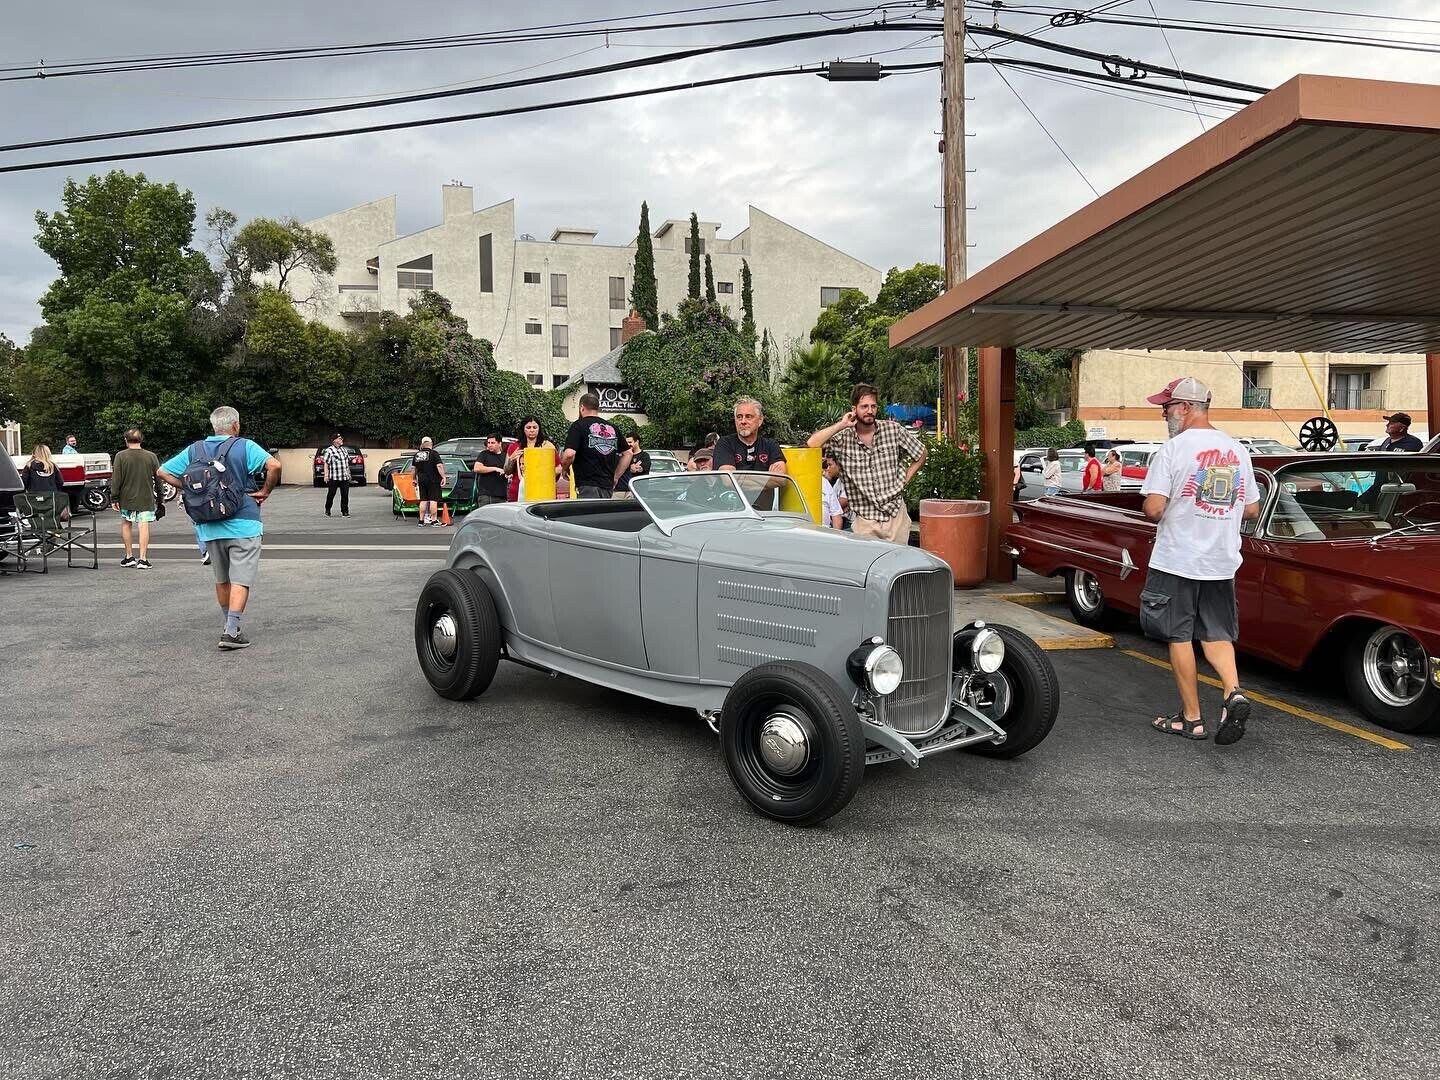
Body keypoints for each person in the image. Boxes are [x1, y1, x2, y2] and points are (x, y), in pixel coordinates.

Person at [1140, 376, 1260, 746]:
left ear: (1187, 407)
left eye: (1167, 407)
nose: (1164, 414)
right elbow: (1252, 509)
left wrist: (1166, 506)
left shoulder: (1172, 451)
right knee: (1217, 634)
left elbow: (1155, 509)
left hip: (1177, 559)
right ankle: (1233, 692)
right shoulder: (1237, 449)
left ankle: (1191, 719)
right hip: (1221, 561)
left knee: (1179, 635)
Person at [156, 406, 281, 651]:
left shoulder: (195, 449)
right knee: (241, 579)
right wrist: (265, 491)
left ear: (214, 426)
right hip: (244, 522)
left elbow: (162, 471)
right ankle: (232, 631)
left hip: (209, 525)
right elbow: (274, 466)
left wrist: (188, 488)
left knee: (222, 579)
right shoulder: (244, 446)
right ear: (235, 426)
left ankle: (228, 625)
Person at [807, 384, 925, 543]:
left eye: (873, 406)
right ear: (854, 409)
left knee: (898, 565)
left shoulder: (892, 430)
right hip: (865, 521)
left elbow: (921, 453)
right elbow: (812, 444)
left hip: (896, 515)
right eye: (864, 406)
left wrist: (904, 480)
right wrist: (841, 425)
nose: (870, 410)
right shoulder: (842, 439)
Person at [561, 393, 633, 499]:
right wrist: (616, 476)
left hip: (587, 484)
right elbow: (628, 453)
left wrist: (564, 468)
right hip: (607, 485)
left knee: (589, 514)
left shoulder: (578, 425)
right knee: (603, 515)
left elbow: (569, 454)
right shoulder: (612, 428)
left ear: (582, 407)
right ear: (597, 408)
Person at [110, 428, 160, 569]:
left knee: (126, 523)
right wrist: (160, 499)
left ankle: (129, 556)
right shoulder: (151, 456)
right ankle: (143, 559)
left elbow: (116, 479)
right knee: (143, 525)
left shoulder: (120, 456)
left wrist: (114, 497)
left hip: (126, 497)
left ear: (126, 440)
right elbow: (158, 478)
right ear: (141, 440)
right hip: (146, 497)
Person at [505, 415, 556, 501]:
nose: (532, 430)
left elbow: (558, 468)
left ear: (539, 429)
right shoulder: (514, 446)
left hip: (541, 493)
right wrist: (511, 459)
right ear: (523, 429)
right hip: (518, 492)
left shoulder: (547, 445)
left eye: (534, 427)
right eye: (528, 427)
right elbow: (506, 471)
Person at [410, 437, 447, 526]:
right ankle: (434, 521)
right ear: (431, 444)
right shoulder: (434, 453)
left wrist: (414, 478)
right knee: (433, 500)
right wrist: (443, 477)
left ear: (422, 445)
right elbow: (439, 466)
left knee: (423, 500)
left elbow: (413, 468)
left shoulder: (417, 455)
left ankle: (421, 521)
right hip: (433, 480)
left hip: (422, 480)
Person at [473, 435, 509, 507]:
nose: (489, 445)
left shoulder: (505, 456)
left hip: (502, 496)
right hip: (486, 496)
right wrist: (495, 469)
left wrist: (508, 474)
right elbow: (477, 468)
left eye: (493, 443)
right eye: (488, 443)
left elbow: (508, 471)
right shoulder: (484, 454)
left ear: (499, 444)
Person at [321, 434, 351, 518]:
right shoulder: (329, 450)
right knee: (331, 494)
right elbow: (326, 463)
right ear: (334, 440)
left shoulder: (344, 450)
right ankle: (328, 509)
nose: (341, 439)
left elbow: (347, 463)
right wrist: (326, 475)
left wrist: (349, 474)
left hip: (344, 477)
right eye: (339, 438)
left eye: (341, 438)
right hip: (334, 477)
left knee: (345, 495)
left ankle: (345, 512)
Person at [821, 455, 845, 529]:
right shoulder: (837, 481)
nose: (827, 469)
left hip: (827, 531)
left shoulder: (824, 482)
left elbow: (836, 512)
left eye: (829, 465)